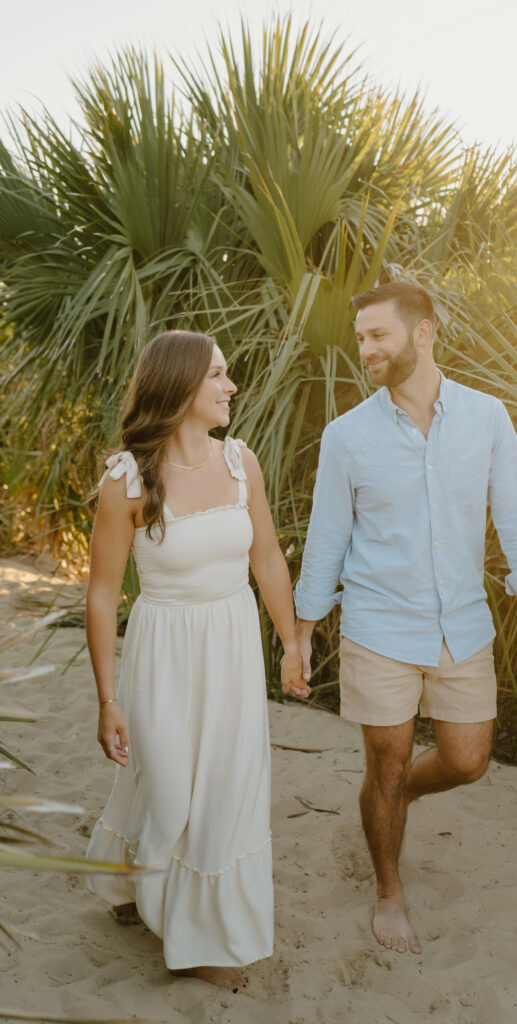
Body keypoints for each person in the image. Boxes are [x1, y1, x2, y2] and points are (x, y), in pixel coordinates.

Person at [294, 282, 517, 956]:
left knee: (468, 761)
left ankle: (392, 803)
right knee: (383, 765)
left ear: (423, 333)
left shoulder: (487, 418)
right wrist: (302, 630)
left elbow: (516, 518)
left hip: (462, 625)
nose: (366, 350)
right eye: (361, 339)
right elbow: (325, 539)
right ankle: (388, 891)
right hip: (378, 625)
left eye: (377, 335)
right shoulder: (346, 437)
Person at [84, 330, 309, 992]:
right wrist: (107, 699)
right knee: (170, 785)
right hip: (164, 651)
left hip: (233, 646)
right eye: (217, 375)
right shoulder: (127, 480)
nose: (230, 386)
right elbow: (100, 595)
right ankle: (135, 880)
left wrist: (290, 640)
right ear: (181, 387)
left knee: (224, 792)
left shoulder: (242, 462)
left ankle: (198, 940)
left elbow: (264, 558)